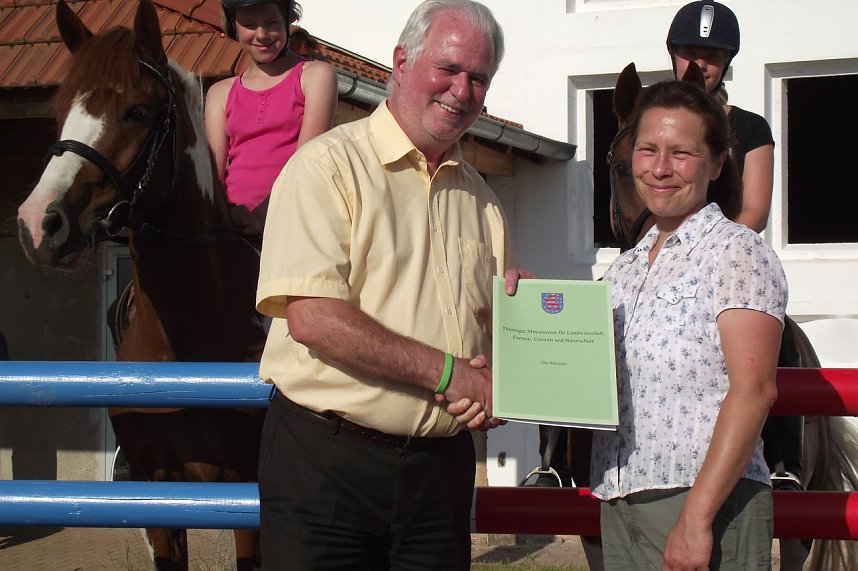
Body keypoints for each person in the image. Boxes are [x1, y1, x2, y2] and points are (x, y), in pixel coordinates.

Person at [254, 1, 525, 568]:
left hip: (438, 474)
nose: (461, 90)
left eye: (478, 78)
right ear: (401, 63)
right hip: (326, 465)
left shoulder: (485, 203)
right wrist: (451, 375)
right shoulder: (324, 168)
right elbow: (313, 318)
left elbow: (490, 346)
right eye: (447, 69)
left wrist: (517, 354)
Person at [590, 79, 786, 570]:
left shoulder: (736, 252)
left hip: (706, 506)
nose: (659, 168)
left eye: (681, 153)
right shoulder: (625, 269)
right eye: (648, 149)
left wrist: (695, 521)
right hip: (621, 503)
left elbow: (754, 391)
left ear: (717, 164)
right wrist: (522, 307)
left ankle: (794, 466)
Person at [668, 0, 805, 494]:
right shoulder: (652, 120)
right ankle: (555, 458)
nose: (696, 64)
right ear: (672, 54)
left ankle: (785, 459)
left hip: (724, 265)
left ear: (726, 62)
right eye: (688, 51)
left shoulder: (749, 128)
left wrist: (702, 252)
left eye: (710, 54)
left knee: (778, 337)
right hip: (654, 258)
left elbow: (756, 209)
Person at [205, 0, 337, 247]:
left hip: (294, 223)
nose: (262, 34)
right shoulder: (220, 93)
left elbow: (305, 164)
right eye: (249, 24)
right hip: (234, 226)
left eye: (272, 23)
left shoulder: (315, 76)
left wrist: (264, 215)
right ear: (234, 27)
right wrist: (224, 218)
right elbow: (213, 175)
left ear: (288, 21)